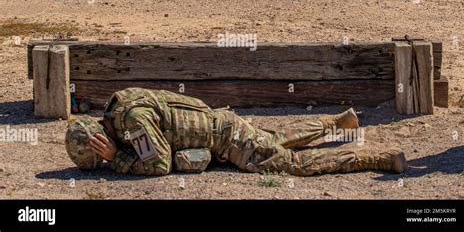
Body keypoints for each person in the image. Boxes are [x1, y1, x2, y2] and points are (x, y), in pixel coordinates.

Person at [65, 88, 407, 176]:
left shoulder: (133, 121)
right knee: (273, 137)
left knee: (291, 165)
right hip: (223, 124)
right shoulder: (121, 106)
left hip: (228, 140)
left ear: (100, 140)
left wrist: (117, 160)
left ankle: (375, 158)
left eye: (99, 157)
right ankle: (337, 122)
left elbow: (158, 165)